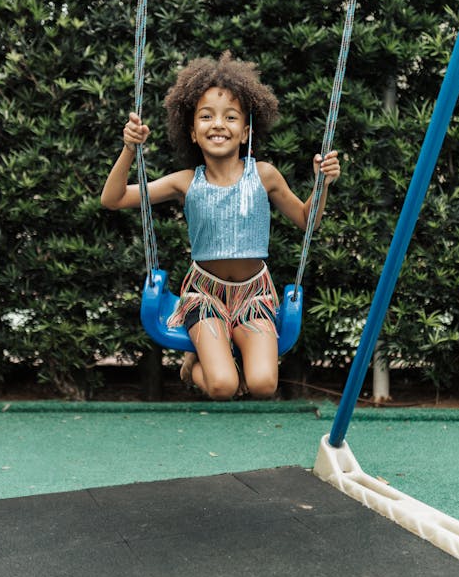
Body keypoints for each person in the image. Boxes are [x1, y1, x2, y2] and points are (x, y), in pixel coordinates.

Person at [101, 51, 340, 400]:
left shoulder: (265, 175)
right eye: (206, 116)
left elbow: (308, 220)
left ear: (245, 132)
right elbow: (113, 198)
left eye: (230, 117)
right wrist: (128, 150)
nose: (218, 124)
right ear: (193, 133)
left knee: (262, 385)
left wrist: (322, 184)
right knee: (224, 387)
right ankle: (195, 363)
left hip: (254, 295)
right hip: (204, 295)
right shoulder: (185, 182)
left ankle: (224, 347)